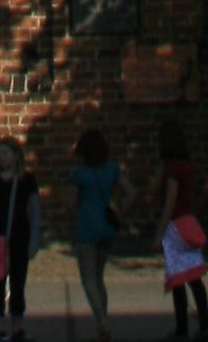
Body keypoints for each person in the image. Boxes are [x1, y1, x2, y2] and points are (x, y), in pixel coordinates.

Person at [0, 138, 41, 328]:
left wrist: (34, 239)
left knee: (18, 283)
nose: (2, 157)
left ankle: (17, 326)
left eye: (6, 153)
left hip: (20, 235)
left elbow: (35, 210)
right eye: (0, 153)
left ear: (16, 156)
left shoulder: (27, 180)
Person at [71, 127, 121, 331]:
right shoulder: (111, 169)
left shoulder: (79, 174)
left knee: (88, 278)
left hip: (86, 227)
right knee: (99, 277)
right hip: (107, 226)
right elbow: (131, 191)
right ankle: (103, 323)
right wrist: (119, 210)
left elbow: (70, 202)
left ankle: (102, 322)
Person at [159, 195, 208, 342]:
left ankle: (183, 329)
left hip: (175, 226)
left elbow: (170, 202)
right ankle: (205, 324)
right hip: (187, 222)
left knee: (178, 278)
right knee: (194, 278)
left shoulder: (172, 171)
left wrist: (159, 233)